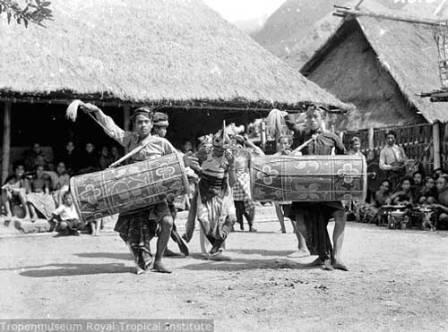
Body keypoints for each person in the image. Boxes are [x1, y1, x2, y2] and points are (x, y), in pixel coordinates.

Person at [81, 103, 196, 274]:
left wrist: (190, 172)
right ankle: (143, 260)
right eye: (139, 122)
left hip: (157, 193)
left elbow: (177, 161)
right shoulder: (129, 139)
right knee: (137, 230)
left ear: (151, 124)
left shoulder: (161, 143)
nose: (142, 125)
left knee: (168, 222)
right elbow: (111, 128)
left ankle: (159, 261)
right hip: (134, 193)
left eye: (145, 122)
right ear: (135, 125)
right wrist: (97, 111)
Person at [285, 105, 348, 271]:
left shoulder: (332, 138)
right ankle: (323, 255)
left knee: (340, 217)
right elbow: (292, 153)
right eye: (309, 117)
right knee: (301, 225)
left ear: (323, 119)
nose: (312, 120)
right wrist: (293, 155)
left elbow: (345, 161)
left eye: (315, 117)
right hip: (305, 187)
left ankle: (337, 256)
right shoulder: (301, 136)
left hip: (327, 186)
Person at [193, 129, 236, 257]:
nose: (219, 151)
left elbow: (233, 183)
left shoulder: (229, 158)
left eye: (222, 148)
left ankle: (216, 246)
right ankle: (215, 247)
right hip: (205, 189)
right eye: (217, 147)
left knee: (231, 218)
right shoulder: (205, 153)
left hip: (222, 191)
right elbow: (189, 161)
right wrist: (196, 166)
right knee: (204, 220)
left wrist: (231, 165)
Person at [232, 134, 264, 232]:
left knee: (251, 204)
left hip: (245, 180)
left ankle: (251, 225)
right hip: (234, 180)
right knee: (233, 205)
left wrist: (249, 142)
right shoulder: (230, 153)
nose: (233, 145)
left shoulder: (247, 153)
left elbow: (261, 154)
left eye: (235, 143)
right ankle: (231, 225)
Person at [273, 136, 294, 234]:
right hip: (278, 182)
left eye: (285, 143)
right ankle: (283, 227)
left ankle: (295, 228)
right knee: (277, 206)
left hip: (289, 183)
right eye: (281, 143)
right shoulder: (275, 155)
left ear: (289, 144)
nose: (283, 145)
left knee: (291, 207)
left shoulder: (294, 154)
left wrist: (290, 156)